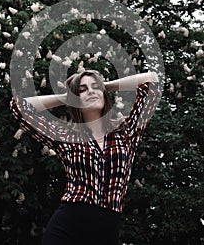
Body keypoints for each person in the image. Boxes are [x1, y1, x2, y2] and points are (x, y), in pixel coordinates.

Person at [10, 69, 161, 245]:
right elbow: (19, 107)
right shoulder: (67, 137)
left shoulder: (126, 134)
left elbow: (152, 81)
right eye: (82, 89)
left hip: (107, 229)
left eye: (94, 87)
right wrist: (69, 97)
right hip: (68, 225)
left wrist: (105, 86)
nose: (90, 91)